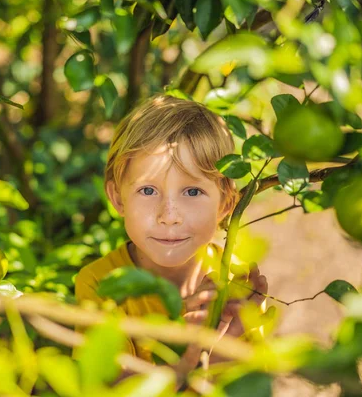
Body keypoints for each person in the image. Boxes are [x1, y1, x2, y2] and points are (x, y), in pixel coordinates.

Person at [74, 94, 269, 375]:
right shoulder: (101, 285)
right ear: (118, 198)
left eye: (192, 191)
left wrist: (229, 342)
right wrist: (186, 345)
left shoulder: (235, 284)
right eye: (148, 190)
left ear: (225, 203)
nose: (169, 216)